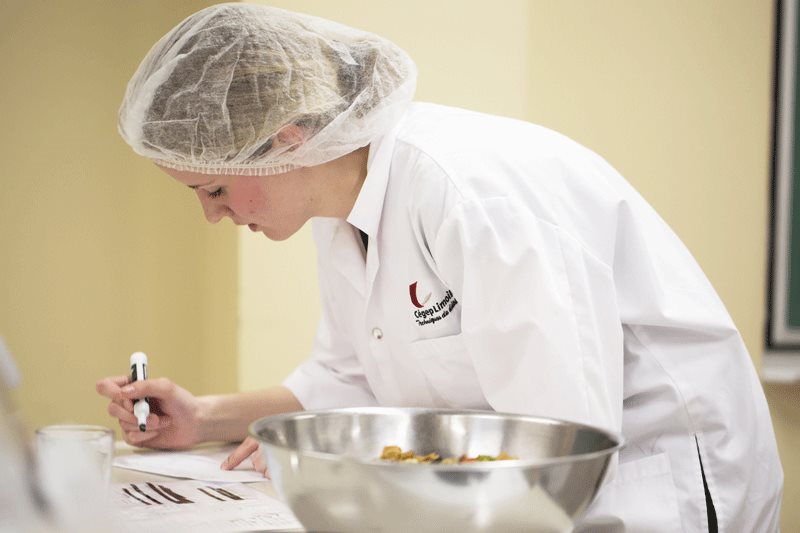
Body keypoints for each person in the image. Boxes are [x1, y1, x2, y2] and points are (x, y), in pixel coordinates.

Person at [96, 3, 783, 531]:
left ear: (286, 141)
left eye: (212, 189)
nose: (211, 216)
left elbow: (561, 440)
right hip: (526, 492)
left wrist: (343, 481)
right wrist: (206, 416)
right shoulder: (340, 215)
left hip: (660, 487)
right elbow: (351, 380)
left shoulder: (466, 192)